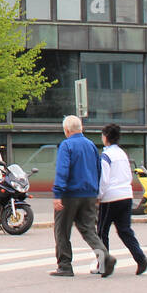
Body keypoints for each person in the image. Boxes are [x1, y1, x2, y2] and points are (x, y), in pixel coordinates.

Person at [51, 115, 114, 277]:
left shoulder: (67, 145)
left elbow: (62, 170)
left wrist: (58, 194)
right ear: (81, 128)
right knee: (88, 230)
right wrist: (96, 192)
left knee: (62, 230)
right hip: (89, 194)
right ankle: (104, 257)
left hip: (69, 194)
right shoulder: (91, 145)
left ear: (66, 130)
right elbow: (98, 170)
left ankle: (65, 265)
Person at [98, 123, 147, 275]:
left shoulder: (106, 155)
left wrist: (98, 196)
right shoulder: (122, 154)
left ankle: (104, 263)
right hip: (126, 195)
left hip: (110, 197)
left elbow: (104, 179)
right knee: (125, 230)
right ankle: (141, 258)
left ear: (105, 137)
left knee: (101, 232)